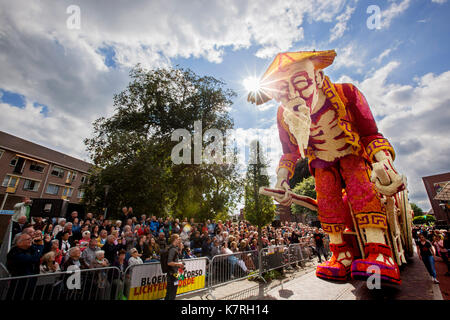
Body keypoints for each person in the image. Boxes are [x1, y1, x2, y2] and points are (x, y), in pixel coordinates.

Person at [248, 49, 404, 284]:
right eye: (282, 91)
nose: (292, 95)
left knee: (360, 184)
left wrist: (383, 161)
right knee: (326, 197)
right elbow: (289, 153)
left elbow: (370, 133)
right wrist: (282, 180)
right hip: (321, 160)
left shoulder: (347, 93)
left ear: (318, 77)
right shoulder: (283, 116)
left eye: (300, 82)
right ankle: (339, 253)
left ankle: (380, 252)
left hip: (352, 152)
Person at [165, 234, 184, 300]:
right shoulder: (172, 249)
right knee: (171, 292)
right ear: (175, 239)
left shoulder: (174, 248)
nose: (179, 240)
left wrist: (180, 248)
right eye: (178, 239)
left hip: (175, 272)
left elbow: (177, 257)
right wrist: (179, 264)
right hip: (172, 273)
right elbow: (169, 262)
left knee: (171, 292)